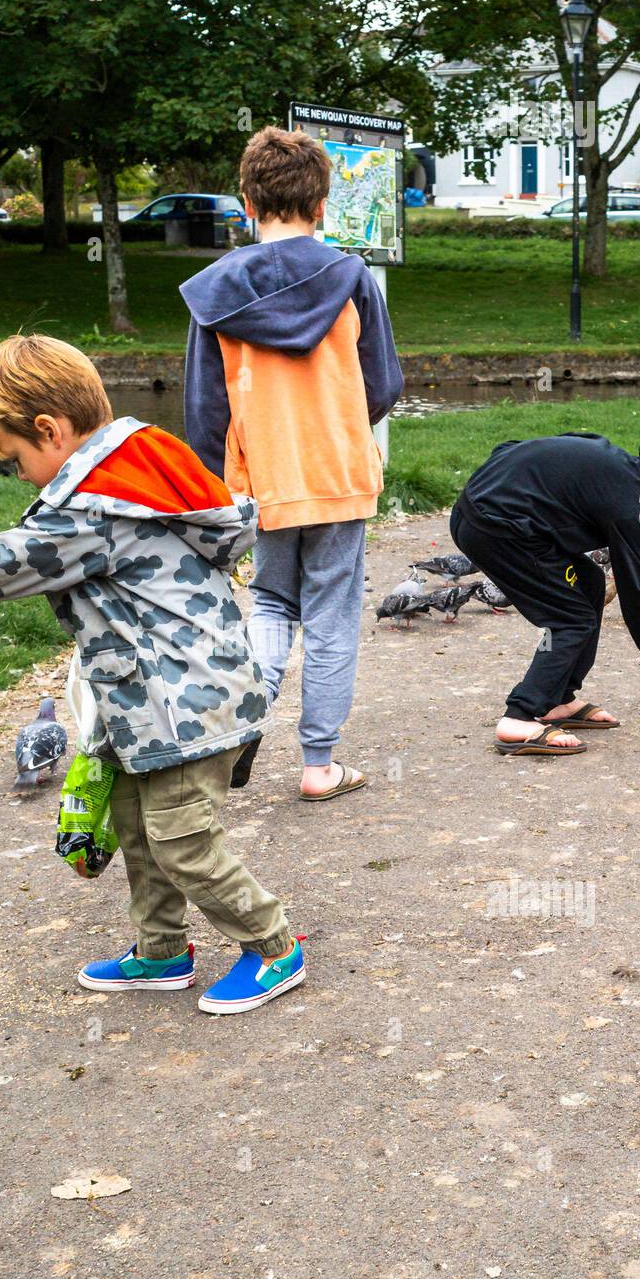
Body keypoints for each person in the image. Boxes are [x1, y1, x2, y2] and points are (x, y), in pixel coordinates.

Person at [0, 334, 304, 1015]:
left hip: (186, 708)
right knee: (134, 822)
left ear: (49, 430)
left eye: (13, 463)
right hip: (159, 703)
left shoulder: (92, 510)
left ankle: (274, 946)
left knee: (183, 841)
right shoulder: (135, 471)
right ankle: (162, 951)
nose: (20, 477)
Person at [180, 125, 403, 800]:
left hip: (263, 482)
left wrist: (218, 491)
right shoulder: (351, 277)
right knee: (332, 613)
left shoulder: (214, 293)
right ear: (322, 207)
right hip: (338, 476)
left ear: (247, 201)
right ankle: (318, 764)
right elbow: (384, 383)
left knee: (273, 602)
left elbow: (205, 411)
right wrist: (337, 426)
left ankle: (241, 725)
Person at [450, 420, 640, 756]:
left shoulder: (620, 469)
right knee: (572, 618)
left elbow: (514, 450)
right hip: (496, 529)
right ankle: (519, 717)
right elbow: (636, 600)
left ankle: (558, 699)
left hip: (484, 513)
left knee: (591, 583)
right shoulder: (632, 507)